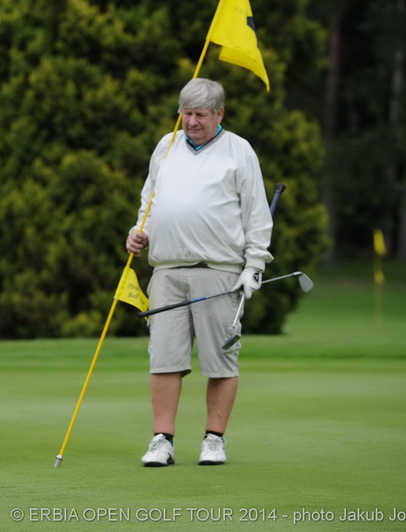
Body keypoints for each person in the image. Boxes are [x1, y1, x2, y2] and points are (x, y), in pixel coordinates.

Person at [125, 78, 273, 467]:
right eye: (186, 113)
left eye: (200, 115)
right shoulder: (167, 145)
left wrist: (254, 264)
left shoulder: (239, 150)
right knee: (164, 358)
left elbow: (256, 213)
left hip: (219, 271)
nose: (191, 122)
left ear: (219, 114)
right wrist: (140, 231)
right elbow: (150, 200)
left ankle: (214, 439)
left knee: (220, 359)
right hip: (167, 270)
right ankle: (162, 440)